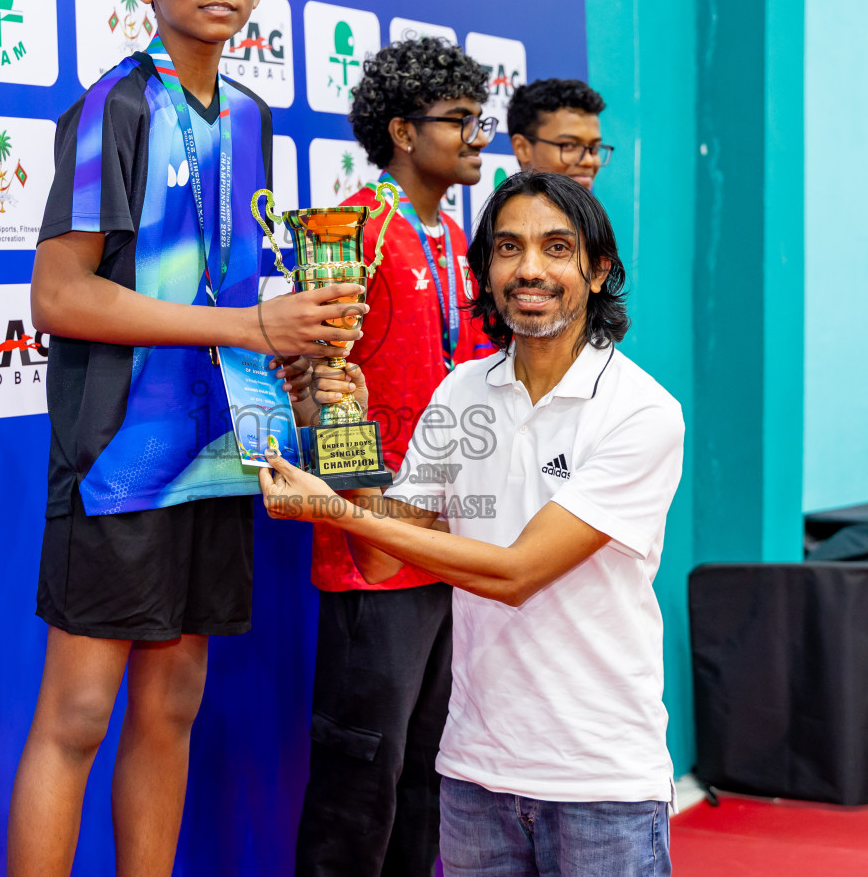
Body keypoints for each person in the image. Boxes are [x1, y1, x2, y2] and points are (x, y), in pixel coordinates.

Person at [9, 0, 365, 877]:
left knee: (171, 707)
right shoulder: (108, 112)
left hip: (219, 459)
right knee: (76, 716)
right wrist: (249, 319)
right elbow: (59, 297)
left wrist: (294, 352)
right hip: (117, 460)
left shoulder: (252, 118)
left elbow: (233, 287)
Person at [264, 171, 685, 876]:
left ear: (598, 268)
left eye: (557, 247)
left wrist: (329, 509)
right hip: (473, 779)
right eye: (509, 247)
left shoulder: (641, 412)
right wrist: (339, 425)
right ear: (485, 267)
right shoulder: (462, 391)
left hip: (600, 784)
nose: (530, 269)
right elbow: (380, 558)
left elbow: (517, 573)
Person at [294, 37, 496, 877]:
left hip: (453, 541)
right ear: (405, 132)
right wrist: (365, 521)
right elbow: (323, 383)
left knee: (428, 774)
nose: (479, 137)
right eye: (461, 122)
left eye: (480, 120)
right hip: (374, 547)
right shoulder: (351, 231)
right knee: (359, 782)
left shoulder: (458, 237)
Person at [507, 78, 612, 191]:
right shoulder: (506, 208)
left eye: (594, 148)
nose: (589, 161)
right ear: (522, 148)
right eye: (569, 146)